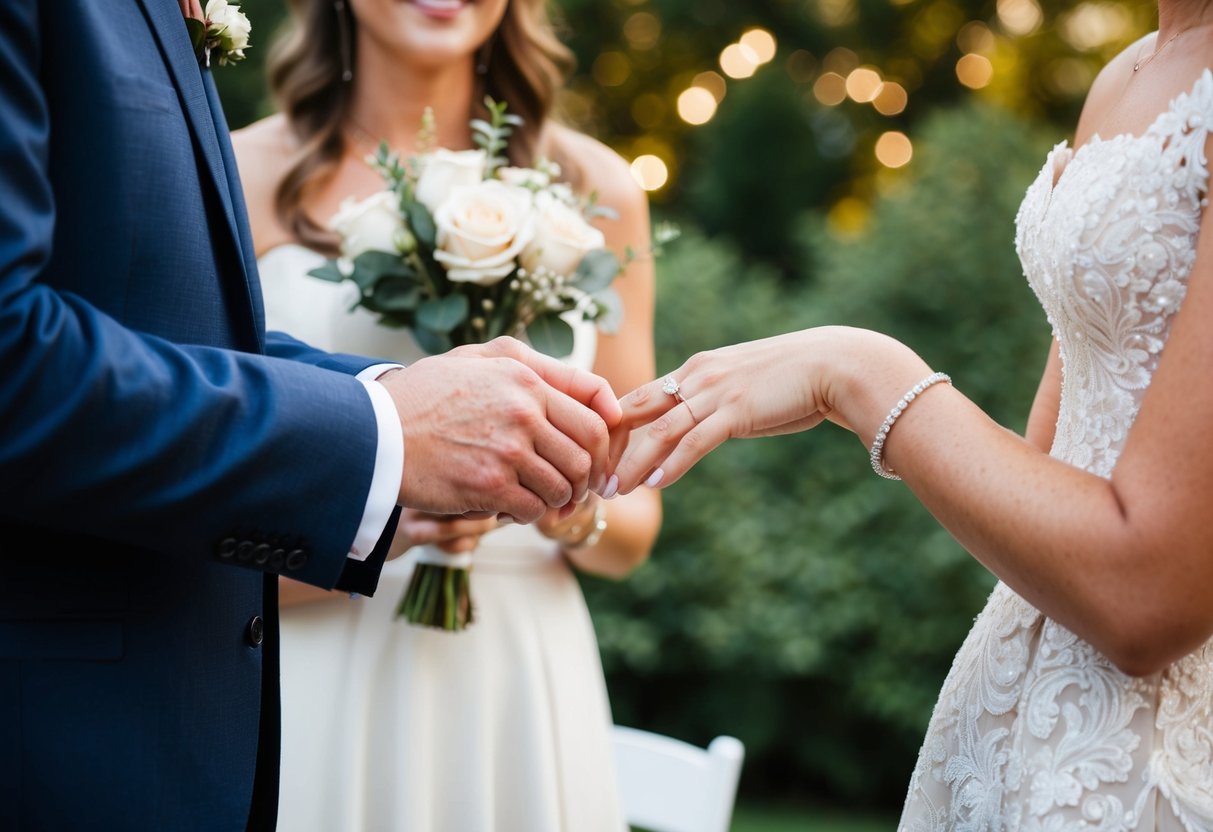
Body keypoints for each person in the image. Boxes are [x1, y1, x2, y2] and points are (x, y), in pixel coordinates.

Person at [0, 1, 621, 829]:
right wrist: (385, 448)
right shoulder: (259, 157)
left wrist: (447, 438)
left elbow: (185, 337)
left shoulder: (597, 181)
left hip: (508, 662)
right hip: (262, 653)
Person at [608, 3, 1213, 827]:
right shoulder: (1129, 69)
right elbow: (1039, 485)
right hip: (1018, 718)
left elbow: (1146, 594)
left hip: (1157, 766)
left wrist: (858, 374)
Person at [231, 0, 661, 828]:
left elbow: (636, 517)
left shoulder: (599, 187)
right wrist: (368, 521)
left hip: (517, 669)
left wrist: (561, 509)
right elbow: (204, 483)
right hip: (315, 648)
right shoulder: (236, 172)